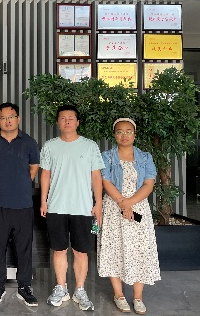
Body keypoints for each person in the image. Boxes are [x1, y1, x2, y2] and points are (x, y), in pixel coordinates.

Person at [40, 104, 104, 311]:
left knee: (81, 251)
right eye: (63, 118)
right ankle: (61, 288)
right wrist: (43, 201)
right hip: (56, 206)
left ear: (77, 122)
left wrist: (98, 203)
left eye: (71, 118)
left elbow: (96, 176)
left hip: (83, 207)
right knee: (59, 249)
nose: (66, 121)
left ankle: (80, 290)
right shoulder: (50, 146)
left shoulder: (90, 146)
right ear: (58, 122)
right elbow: (45, 175)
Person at [98, 118, 160, 315]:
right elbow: (106, 181)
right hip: (113, 207)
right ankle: (119, 295)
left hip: (138, 208)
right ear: (114, 135)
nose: (124, 135)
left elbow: (148, 184)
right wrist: (122, 203)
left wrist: (129, 203)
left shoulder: (145, 157)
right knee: (114, 249)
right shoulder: (107, 156)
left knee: (140, 249)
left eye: (128, 131)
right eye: (119, 131)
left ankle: (138, 297)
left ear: (135, 134)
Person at [0, 103, 40, 306]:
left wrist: (21, 183)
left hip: (23, 204)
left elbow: (34, 167)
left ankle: (24, 287)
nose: (7, 121)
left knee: (23, 247)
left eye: (11, 117)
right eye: (3, 117)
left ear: (18, 118)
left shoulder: (29, 142)